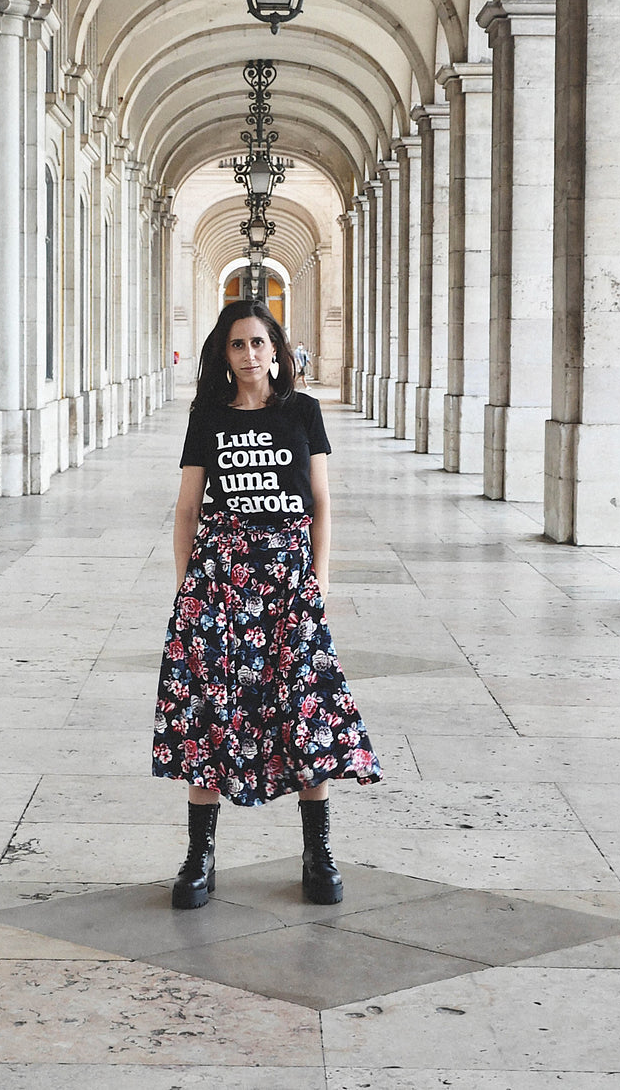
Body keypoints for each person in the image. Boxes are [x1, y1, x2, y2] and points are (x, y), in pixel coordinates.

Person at [153, 300, 382, 910]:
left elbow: (321, 503)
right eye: (237, 345)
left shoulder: (304, 412)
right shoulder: (208, 416)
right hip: (220, 578)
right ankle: (199, 855)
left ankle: (317, 851)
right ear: (223, 355)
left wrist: (321, 577)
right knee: (208, 709)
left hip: (286, 578)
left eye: (259, 343)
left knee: (304, 702)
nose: (250, 355)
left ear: (277, 349)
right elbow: (186, 507)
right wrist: (187, 586)